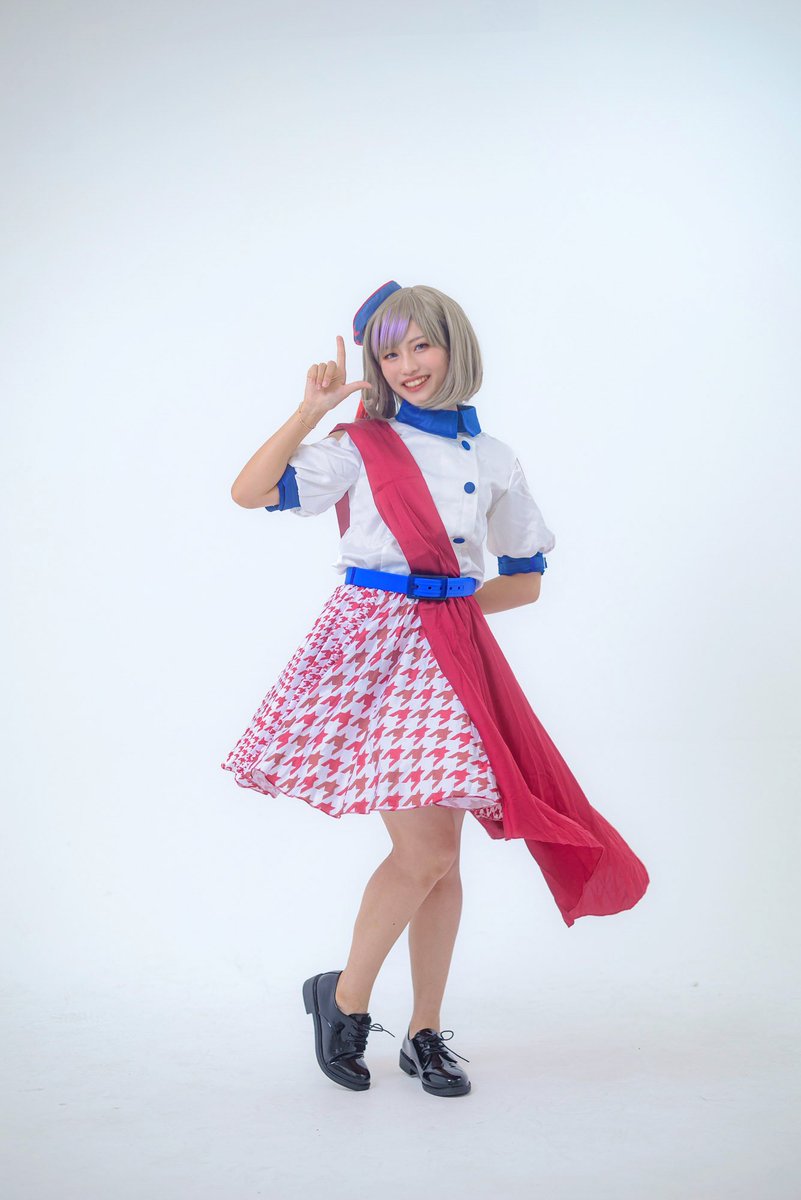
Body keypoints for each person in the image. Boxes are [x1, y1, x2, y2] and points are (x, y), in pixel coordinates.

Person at [221, 281, 649, 1099]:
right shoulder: (359, 444)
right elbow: (249, 492)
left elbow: (523, 580)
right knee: (428, 854)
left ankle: (422, 1031)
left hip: (449, 654)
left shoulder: (494, 458)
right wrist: (309, 412)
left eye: (421, 345)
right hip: (370, 654)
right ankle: (345, 1000)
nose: (407, 365)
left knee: (441, 857)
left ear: (454, 346)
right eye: (389, 353)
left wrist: (448, 610)